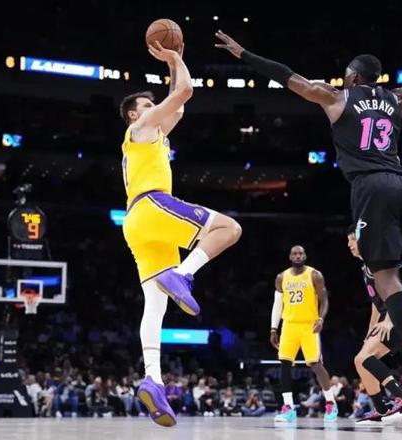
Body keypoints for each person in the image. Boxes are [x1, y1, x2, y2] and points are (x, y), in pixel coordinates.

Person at [214, 19, 402, 419]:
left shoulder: (337, 98)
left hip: (372, 188)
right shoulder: (397, 98)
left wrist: (244, 54)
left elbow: (287, 77)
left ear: (352, 77)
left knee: (386, 279)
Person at [119, 41, 241, 427]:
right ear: (133, 114)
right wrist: (174, 58)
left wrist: (176, 64)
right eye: (147, 104)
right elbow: (185, 91)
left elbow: (180, 103)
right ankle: (185, 274)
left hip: (137, 223)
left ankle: (152, 379)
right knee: (229, 228)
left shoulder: (153, 133)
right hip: (152, 205)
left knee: (155, 305)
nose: (154, 106)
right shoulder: (140, 128)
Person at [347, 228, 402, 422]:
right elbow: (376, 303)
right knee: (359, 361)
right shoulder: (365, 268)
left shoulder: (377, 262)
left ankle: (401, 397)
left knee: (365, 357)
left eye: (352, 240)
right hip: (385, 316)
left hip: (398, 314)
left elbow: (395, 290)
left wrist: (389, 320)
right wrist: (370, 331)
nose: (349, 244)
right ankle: (381, 409)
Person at [270, 246, 338, 422]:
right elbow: (277, 305)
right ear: (290, 256)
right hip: (289, 325)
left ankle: (330, 402)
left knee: (315, 364)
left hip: (309, 325)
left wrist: (321, 319)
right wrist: (273, 328)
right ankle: (288, 407)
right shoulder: (281, 277)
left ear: (305, 255)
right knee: (284, 364)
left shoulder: (314, 275)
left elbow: (324, 300)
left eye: (301, 253)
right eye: (295, 253)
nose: (298, 256)